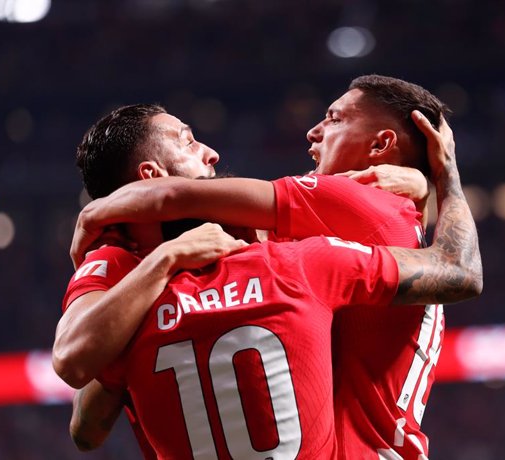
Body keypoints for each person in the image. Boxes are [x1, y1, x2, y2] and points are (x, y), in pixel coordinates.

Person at [59, 75, 482, 458]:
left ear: (379, 146)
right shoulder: (299, 256)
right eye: (189, 142)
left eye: (333, 119)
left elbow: (86, 424)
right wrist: (434, 185)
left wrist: (103, 216)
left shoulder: (338, 219)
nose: (312, 132)